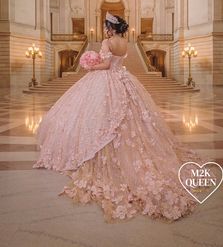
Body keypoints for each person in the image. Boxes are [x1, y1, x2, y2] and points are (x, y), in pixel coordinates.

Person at [33, 12, 202, 222]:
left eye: (106, 26)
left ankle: (98, 149)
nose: (104, 30)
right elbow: (117, 63)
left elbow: (105, 65)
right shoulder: (125, 43)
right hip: (123, 79)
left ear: (110, 28)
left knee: (100, 116)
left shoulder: (107, 41)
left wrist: (90, 66)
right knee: (130, 118)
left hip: (106, 80)